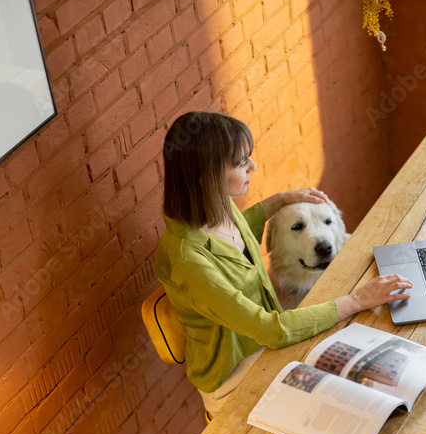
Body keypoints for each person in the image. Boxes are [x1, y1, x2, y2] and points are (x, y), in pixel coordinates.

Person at [155, 111, 412, 417]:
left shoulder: (214, 208)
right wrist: (356, 300)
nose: (253, 166)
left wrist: (279, 200)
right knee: (356, 403)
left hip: (266, 348)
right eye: (241, 162)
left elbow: (234, 240)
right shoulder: (188, 261)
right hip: (236, 377)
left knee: (377, 374)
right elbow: (270, 330)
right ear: (206, 177)